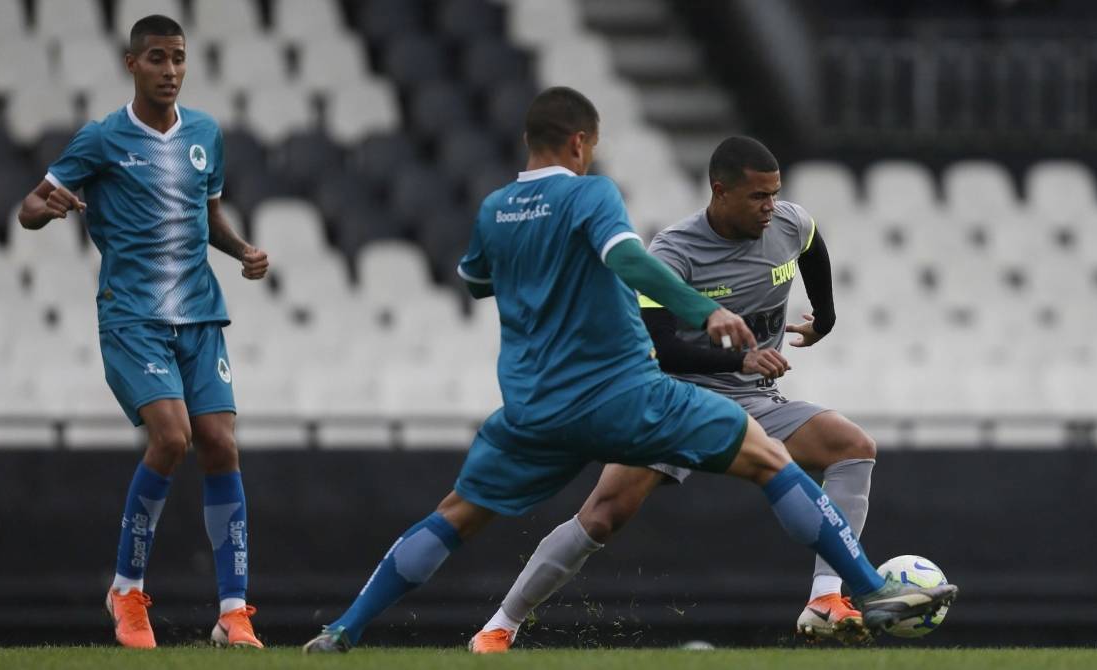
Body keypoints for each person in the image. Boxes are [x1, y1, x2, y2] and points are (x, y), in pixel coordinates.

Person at [302, 87, 956, 654]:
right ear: (581, 143)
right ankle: (870, 591)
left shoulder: (495, 208)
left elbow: (474, 281)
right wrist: (705, 312)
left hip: (532, 407)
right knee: (769, 462)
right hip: (623, 393)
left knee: (455, 515)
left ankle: (343, 631)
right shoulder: (593, 196)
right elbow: (630, 261)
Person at [470, 136, 880, 652]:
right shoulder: (673, 251)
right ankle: (499, 627)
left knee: (853, 446)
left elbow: (813, 246)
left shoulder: (787, 223)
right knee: (602, 515)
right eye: (758, 197)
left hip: (753, 399)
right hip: (675, 400)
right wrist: (740, 358)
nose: (770, 207)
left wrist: (826, 317)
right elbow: (660, 348)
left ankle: (825, 599)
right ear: (720, 191)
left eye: (775, 194)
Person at [17, 15, 268, 650]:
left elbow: (208, 213)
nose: (170, 70)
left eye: (179, 58)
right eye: (157, 58)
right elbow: (29, 206)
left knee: (220, 443)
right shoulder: (101, 139)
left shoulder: (206, 133)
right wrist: (47, 209)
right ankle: (127, 591)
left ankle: (233, 613)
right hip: (133, 317)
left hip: (200, 314)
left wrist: (241, 251)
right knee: (172, 437)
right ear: (132, 64)